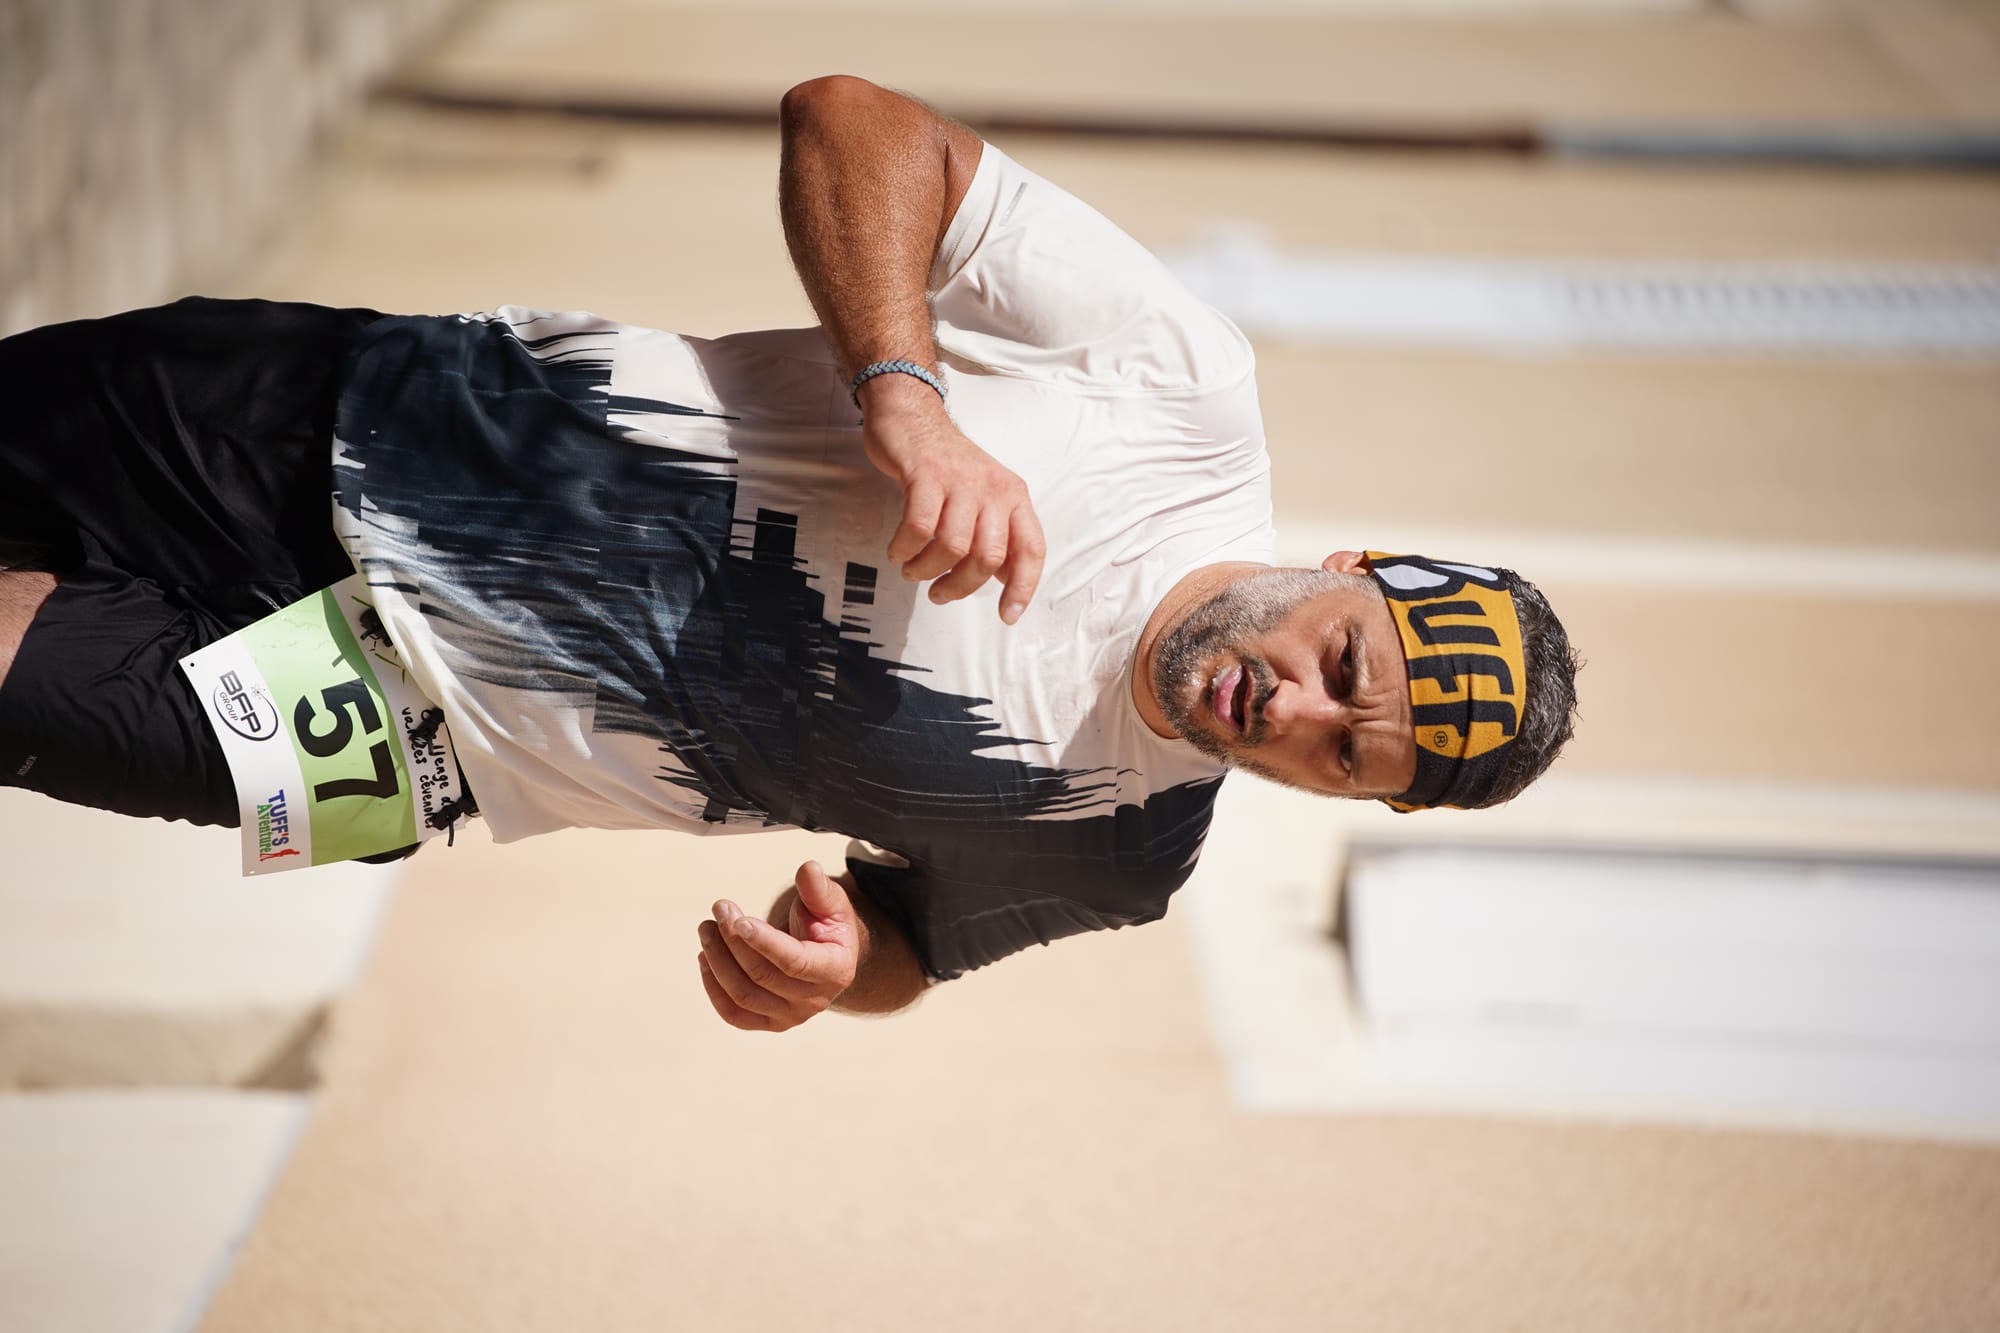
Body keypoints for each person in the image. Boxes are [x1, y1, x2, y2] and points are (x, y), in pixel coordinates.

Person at [0, 75, 1580, 1033]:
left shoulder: (1122, 850)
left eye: (1340, 758)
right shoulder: (1183, 393)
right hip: (345, 426)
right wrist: (911, 394)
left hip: (397, 742)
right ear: (1355, 566)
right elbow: (854, 122)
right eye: (1343, 666)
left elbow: (911, 940)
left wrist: (839, 977)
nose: (1293, 714)